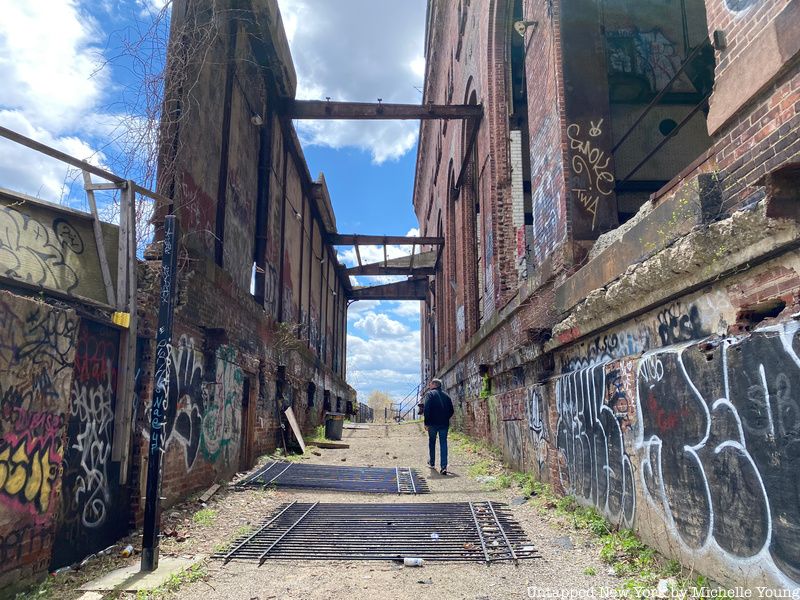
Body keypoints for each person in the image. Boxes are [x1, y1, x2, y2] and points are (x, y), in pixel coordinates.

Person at [422, 378, 454, 475]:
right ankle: (443, 467)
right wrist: (445, 418)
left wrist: (426, 423)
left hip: (432, 424)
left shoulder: (430, 394)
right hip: (444, 424)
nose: (429, 385)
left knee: (432, 442)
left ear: (434, 385)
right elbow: (451, 410)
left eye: (430, 384)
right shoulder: (446, 396)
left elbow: (426, 409)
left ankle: (432, 463)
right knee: (443, 443)